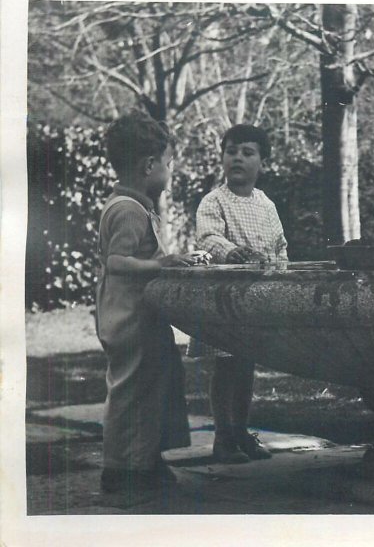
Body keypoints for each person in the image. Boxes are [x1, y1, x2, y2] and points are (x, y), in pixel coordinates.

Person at [95, 110, 193, 494]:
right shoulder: (127, 210)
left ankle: (145, 458)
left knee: (151, 386)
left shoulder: (130, 204)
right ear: (149, 165)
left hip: (138, 316)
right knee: (131, 390)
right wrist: (161, 263)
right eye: (168, 164)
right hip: (129, 319)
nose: (170, 174)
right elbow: (117, 262)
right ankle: (120, 468)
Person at [188, 124, 288, 464]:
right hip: (224, 299)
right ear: (222, 158)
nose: (238, 159)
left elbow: (279, 247)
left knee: (246, 367)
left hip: (256, 300)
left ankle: (241, 430)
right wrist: (232, 253)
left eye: (247, 153)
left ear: (262, 162)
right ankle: (222, 436)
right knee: (225, 365)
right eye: (231, 152)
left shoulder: (266, 205)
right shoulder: (213, 201)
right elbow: (207, 238)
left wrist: (279, 273)